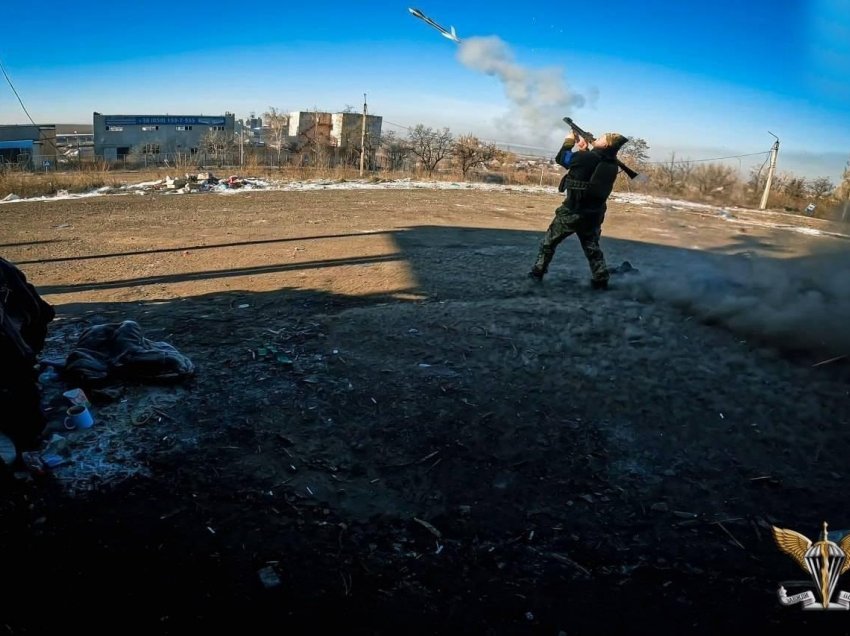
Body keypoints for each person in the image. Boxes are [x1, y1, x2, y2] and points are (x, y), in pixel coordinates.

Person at [529, 129, 629, 289]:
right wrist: (584, 149)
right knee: (592, 247)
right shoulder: (610, 163)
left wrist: (569, 141)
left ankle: (537, 272)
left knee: (549, 243)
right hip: (594, 213)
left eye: (601, 137)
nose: (597, 137)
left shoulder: (587, 157)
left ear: (606, 143)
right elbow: (589, 167)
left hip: (573, 211)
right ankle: (601, 278)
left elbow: (562, 158)